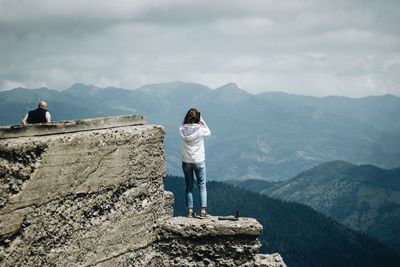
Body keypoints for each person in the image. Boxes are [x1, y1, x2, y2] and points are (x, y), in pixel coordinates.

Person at [179, 108, 211, 218]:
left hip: (186, 161)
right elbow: (209, 132)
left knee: (189, 186)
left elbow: (183, 124)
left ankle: (190, 212)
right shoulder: (200, 129)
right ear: (197, 118)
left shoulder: (182, 129)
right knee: (202, 185)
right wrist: (202, 120)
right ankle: (203, 211)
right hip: (199, 160)